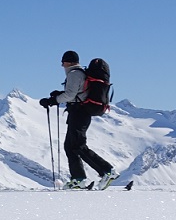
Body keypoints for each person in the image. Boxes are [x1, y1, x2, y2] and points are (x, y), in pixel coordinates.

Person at [40, 51, 119, 189]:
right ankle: (78, 179)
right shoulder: (79, 74)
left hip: (80, 112)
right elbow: (77, 93)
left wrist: (52, 100)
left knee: (78, 146)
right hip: (79, 111)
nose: (62, 65)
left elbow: (71, 95)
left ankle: (107, 171)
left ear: (69, 62)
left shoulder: (74, 74)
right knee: (70, 146)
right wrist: (59, 95)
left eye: (63, 62)